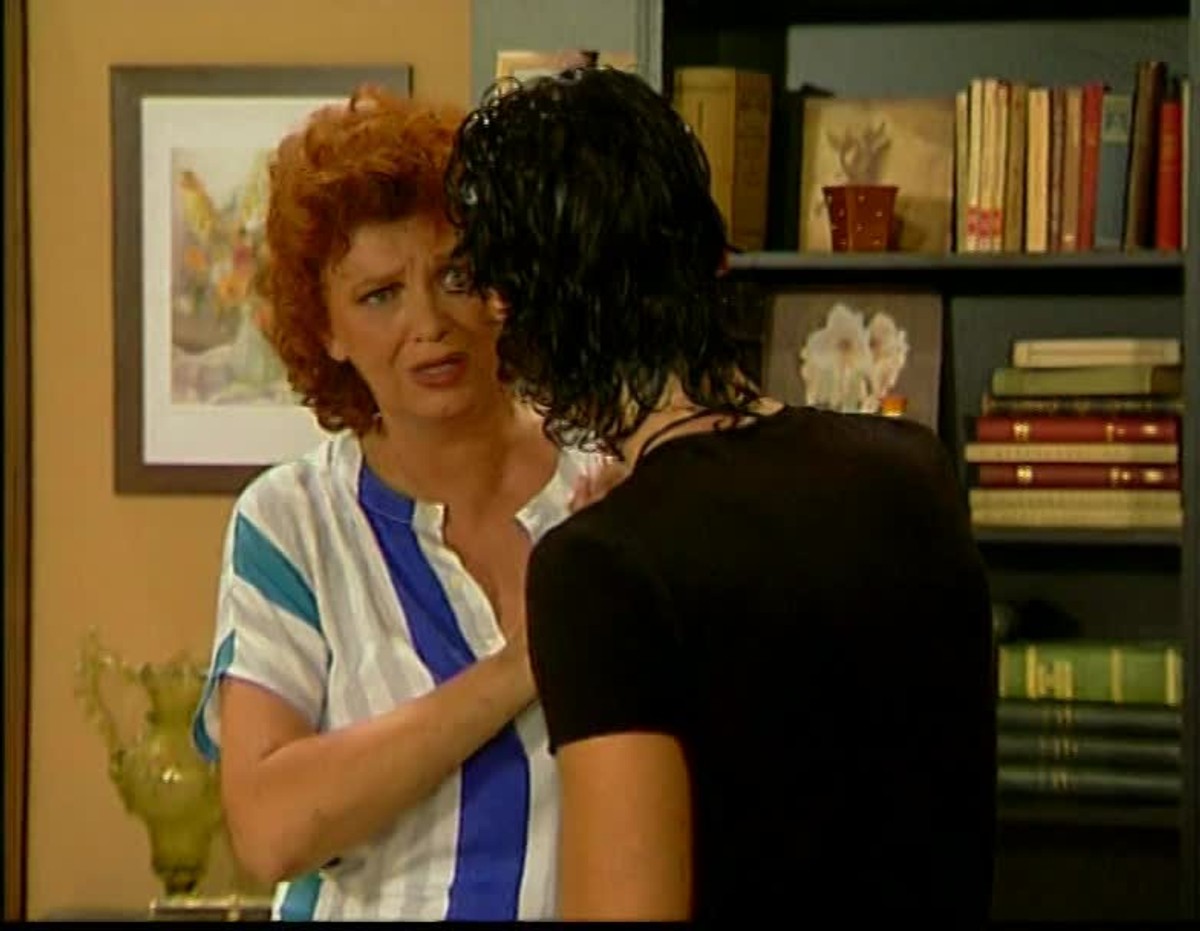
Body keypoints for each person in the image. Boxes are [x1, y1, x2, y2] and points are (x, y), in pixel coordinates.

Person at [445, 66, 998, 922]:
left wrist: (612, 555)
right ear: (711, 259)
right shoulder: (913, 469)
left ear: (516, 312)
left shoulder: (600, 567)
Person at [190, 85, 606, 921]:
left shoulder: (604, 486)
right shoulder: (293, 522)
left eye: (457, 275)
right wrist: (519, 668)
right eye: (380, 294)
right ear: (328, 329)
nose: (430, 321)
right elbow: (268, 828)